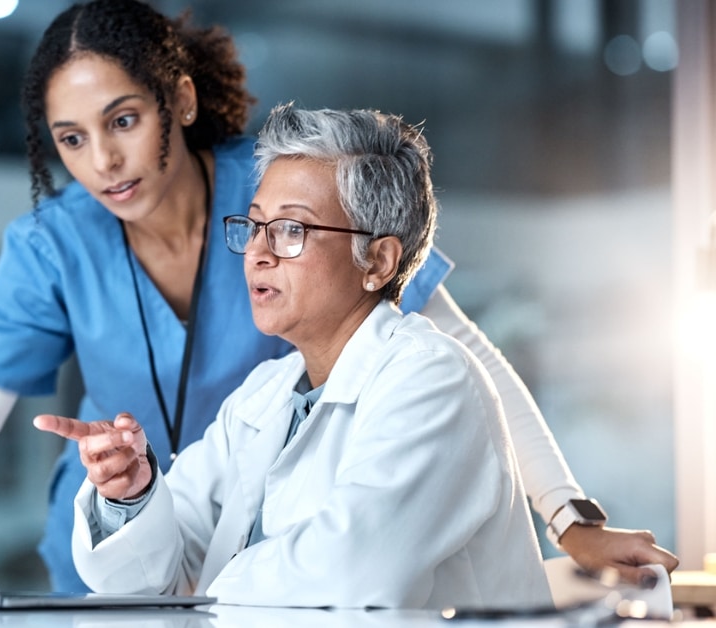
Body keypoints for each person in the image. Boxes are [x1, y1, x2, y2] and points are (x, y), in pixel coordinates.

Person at [0, 0, 678, 592]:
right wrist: (129, 493)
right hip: (159, 555)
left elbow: (467, 357)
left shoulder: (286, 190)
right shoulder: (62, 247)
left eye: (124, 121)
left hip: (263, 576)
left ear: (181, 101)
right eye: (70, 139)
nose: (102, 161)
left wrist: (567, 514)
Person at [34, 104, 553, 608]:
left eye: (291, 230)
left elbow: (353, 571)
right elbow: (157, 570)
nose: (258, 252)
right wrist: (132, 496)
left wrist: (205, 590)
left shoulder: (433, 379)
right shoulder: (267, 392)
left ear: (377, 260)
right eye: (255, 225)